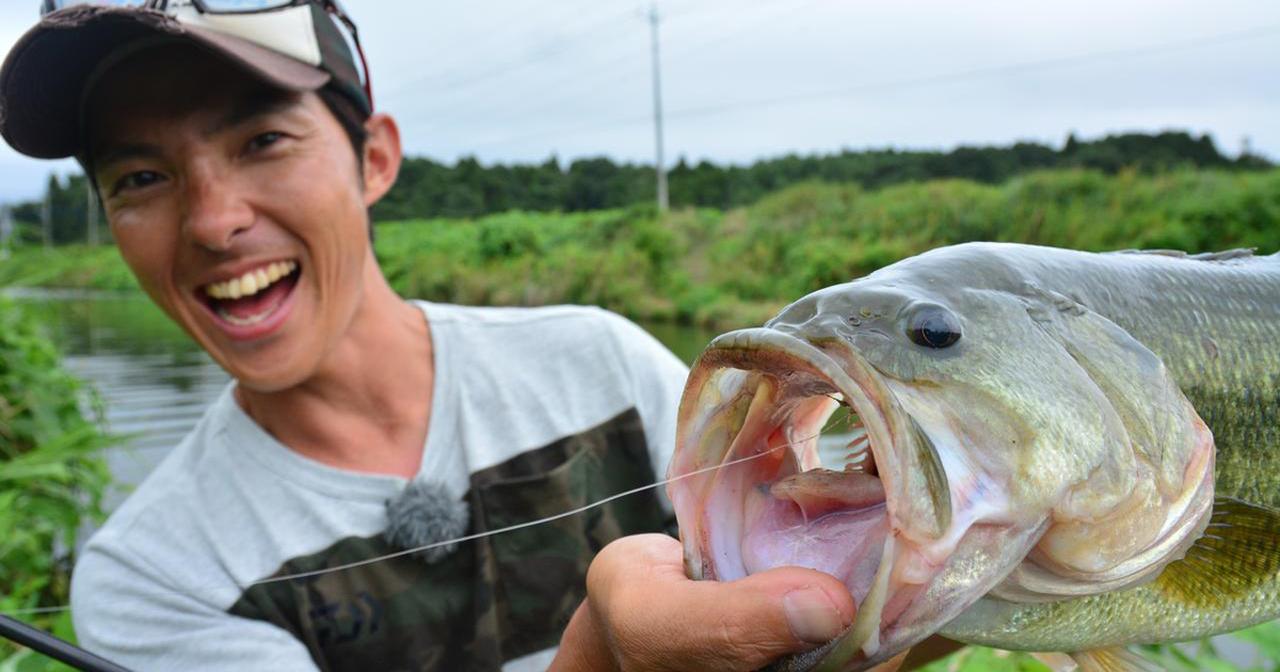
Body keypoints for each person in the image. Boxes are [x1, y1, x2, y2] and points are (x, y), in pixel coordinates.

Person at [1, 3, 948, 671]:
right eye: (138, 179)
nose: (212, 221)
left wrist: (918, 603)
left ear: (375, 159)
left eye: (261, 142)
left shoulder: (600, 363)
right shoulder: (151, 577)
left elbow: (840, 596)